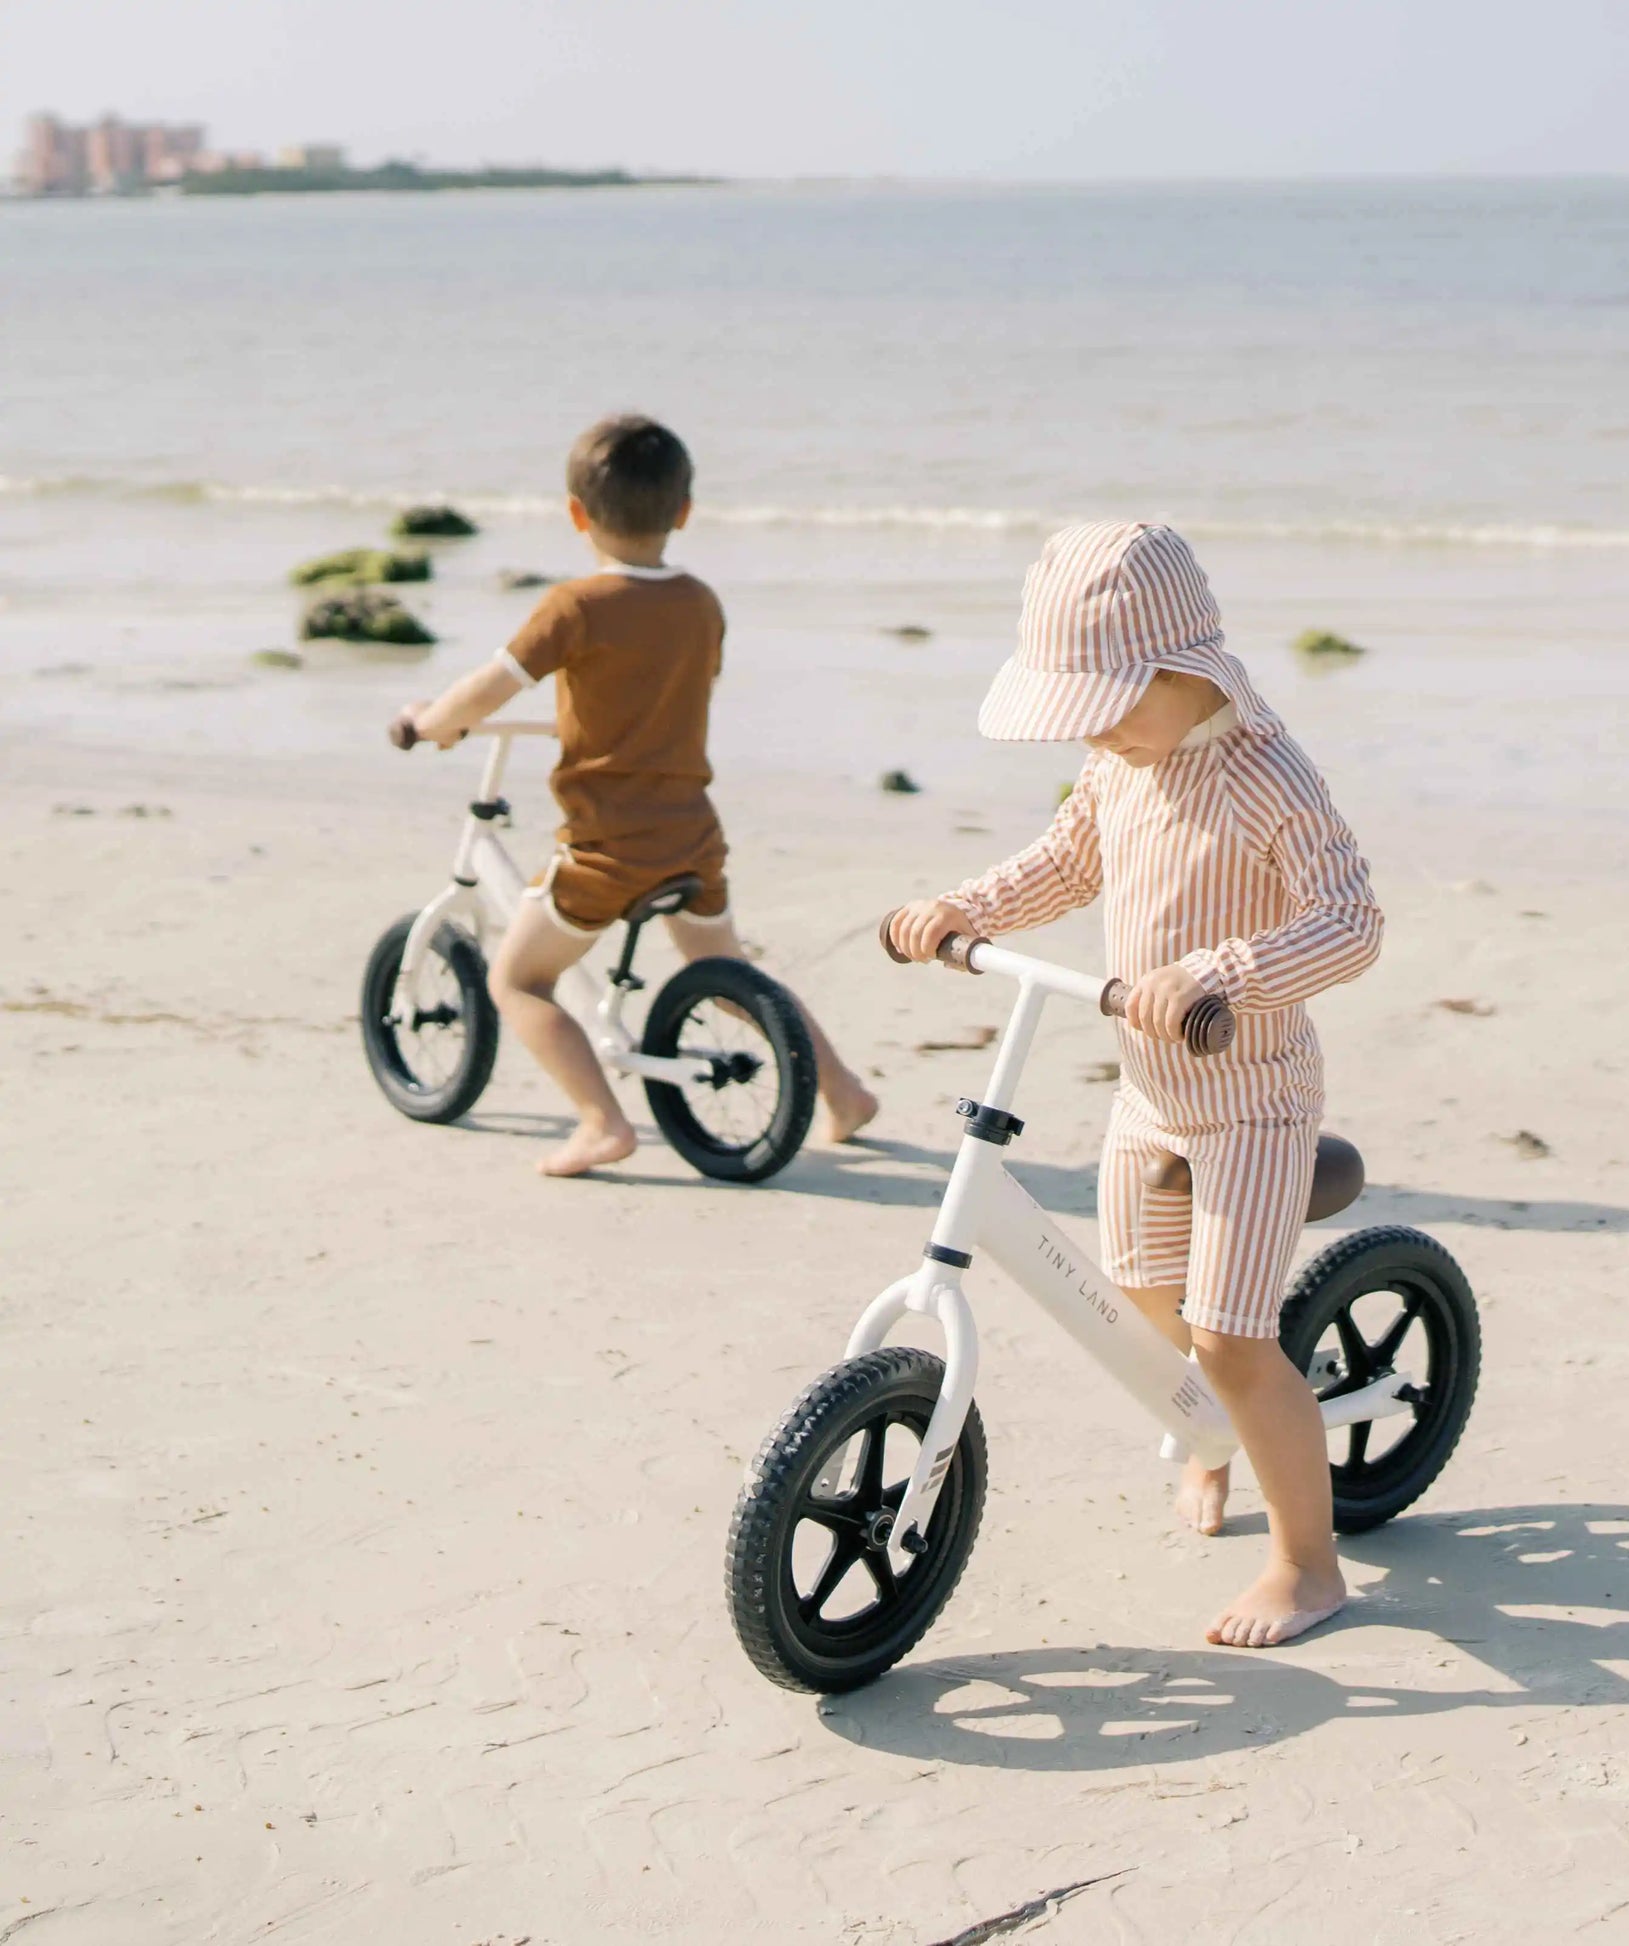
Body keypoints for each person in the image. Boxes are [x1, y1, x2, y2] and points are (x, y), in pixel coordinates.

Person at [887, 521, 1382, 1648]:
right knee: (1143, 1299)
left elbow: (1349, 922)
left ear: (1185, 668)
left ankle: (1308, 1564)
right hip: (1148, 1091)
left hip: (1250, 1091)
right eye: (1082, 709)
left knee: (1229, 1339)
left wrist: (1222, 970)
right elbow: (1067, 859)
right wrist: (969, 908)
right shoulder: (1120, 762)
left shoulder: (1266, 777)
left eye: (1111, 699)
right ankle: (1213, 1429)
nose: (1096, 727)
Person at [393, 413, 878, 1176]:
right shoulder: (700, 604)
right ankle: (844, 1092)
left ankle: (600, 1122)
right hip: (690, 836)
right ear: (683, 512)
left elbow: (482, 693)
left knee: (518, 980)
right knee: (731, 980)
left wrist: (428, 723)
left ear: (576, 514)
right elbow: (664, 692)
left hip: (607, 847)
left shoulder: (573, 608)